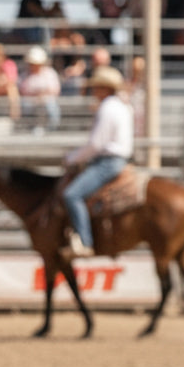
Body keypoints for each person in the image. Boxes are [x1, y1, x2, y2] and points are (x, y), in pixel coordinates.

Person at [59, 65, 133, 259]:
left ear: (105, 88)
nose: (93, 90)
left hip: (107, 162)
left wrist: (71, 157)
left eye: (97, 87)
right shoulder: (123, 106)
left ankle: (84, 241)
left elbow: (95, 144)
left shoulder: (107, 108)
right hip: (120, 159)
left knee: (71, 195)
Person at [19, 45, 60, 131]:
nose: (34, 65)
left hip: (46, 100)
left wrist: (43, 93)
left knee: (51, 104)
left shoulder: (50, 73)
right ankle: (28, 128)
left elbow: (55, 90)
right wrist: (35, 94)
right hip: (30, 101)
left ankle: (51, 129)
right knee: (25, 104)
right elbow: (21, 90)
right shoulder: (24, 74)